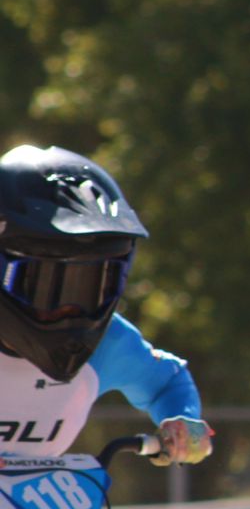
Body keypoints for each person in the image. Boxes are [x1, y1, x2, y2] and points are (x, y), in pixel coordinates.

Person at [0, 144, 212, 465]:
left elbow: (168, 381)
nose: (70, 309)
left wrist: (180, 421)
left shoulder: (108, 342)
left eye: (93, 285)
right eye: (48, 286)